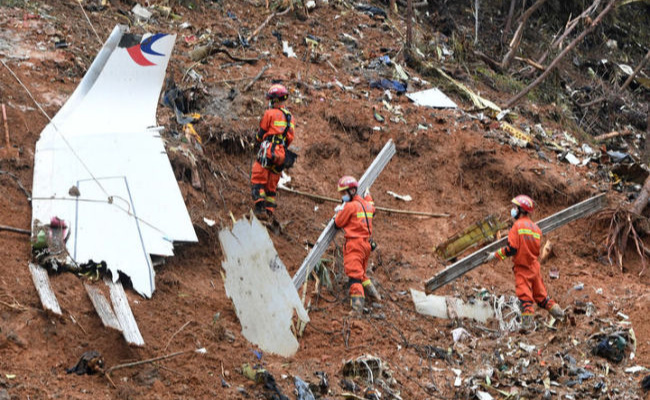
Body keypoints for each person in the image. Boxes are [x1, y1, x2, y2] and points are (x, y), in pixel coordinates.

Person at [485, 195, 565, 331]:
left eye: (515, 208)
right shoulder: (536, 229)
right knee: (542, 297)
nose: (513, 210)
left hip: (523, 268)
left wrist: (496, 255)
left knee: (525, 298)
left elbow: (512, 248)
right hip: (534, 267)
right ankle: (560, 314)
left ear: (521, 210)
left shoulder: (517, 226)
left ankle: (527, 327)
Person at [334, 176, 381, 313]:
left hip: (354, 245)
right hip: (366, 245)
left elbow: (338, 223)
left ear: (352, 191)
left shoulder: (350, 207)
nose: (342, 196)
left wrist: (339, 211)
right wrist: (368, 196)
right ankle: (375, 296)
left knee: (354, 276)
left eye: (344, 192)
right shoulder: (367, 205)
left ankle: (357, 309)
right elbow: (372, 207)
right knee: (361, 273)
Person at [251, 84, 296, 219]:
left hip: (269, 150)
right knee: (272, 182)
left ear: (275, 100)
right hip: (282, 153)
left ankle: (260, 208)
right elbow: (290, 138)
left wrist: (257, 140)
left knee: (258, 175)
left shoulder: (269, 113)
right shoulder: (290, 117)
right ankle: (269, 211)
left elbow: (262, 132)